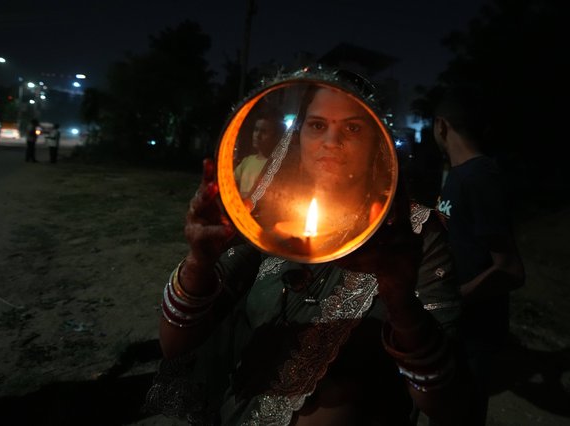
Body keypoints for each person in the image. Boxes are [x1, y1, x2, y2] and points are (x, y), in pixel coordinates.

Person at [146, 73, 474, 425]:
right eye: (317, 125)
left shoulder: (413, 235)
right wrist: (199, 261)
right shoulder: (268, 221)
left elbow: (445, 403)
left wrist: (400, 299)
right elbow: (175, 347)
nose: (331, 141)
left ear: (378, 143)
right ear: (298, 136)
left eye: (352, 129)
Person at [433, 85, 525, 425]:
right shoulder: (457, 176)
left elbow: (511, 270)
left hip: (475, 336)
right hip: (455, 333)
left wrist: (454, 300)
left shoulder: (480, 177)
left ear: (441, 126)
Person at [234, 108, 286, 199]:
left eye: (264, 132)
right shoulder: (247, 161)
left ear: (275, 136)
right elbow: (230, 184)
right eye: (256, 130)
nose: (257, 135)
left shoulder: (277, 166)